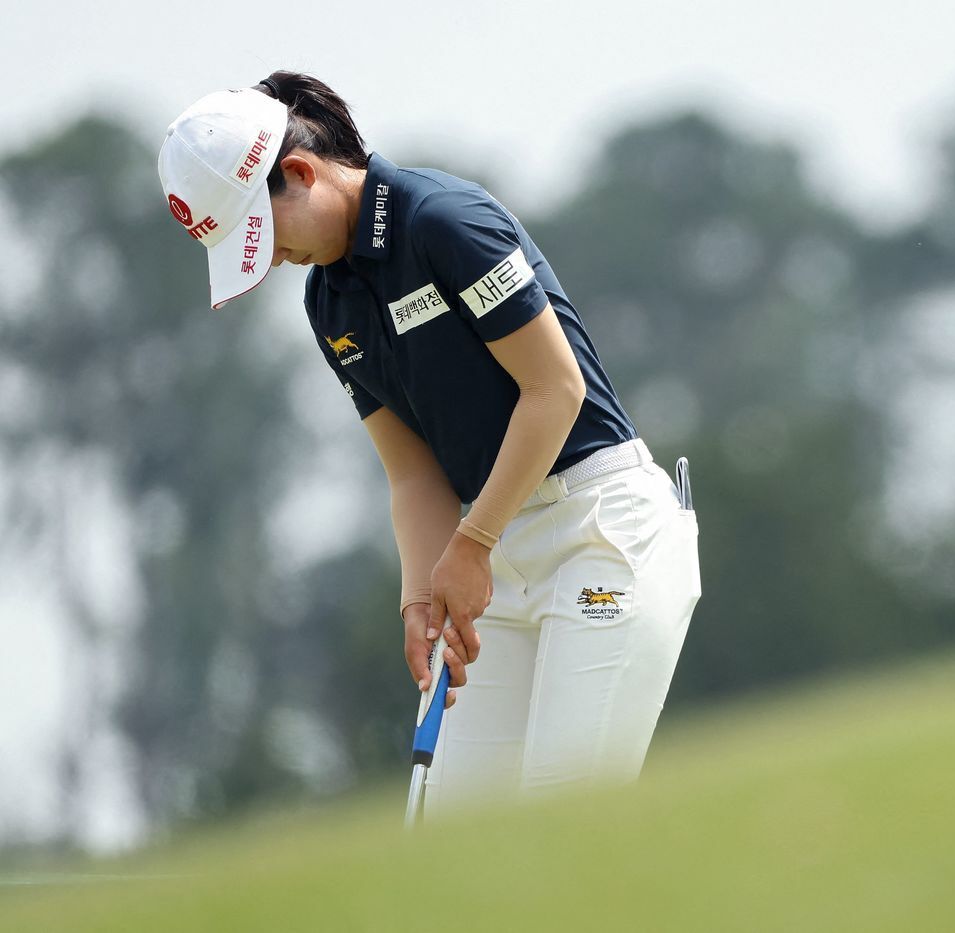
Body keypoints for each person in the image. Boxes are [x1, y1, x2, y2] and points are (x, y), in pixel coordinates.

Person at [156, 72, 701, 811]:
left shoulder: (443, 221)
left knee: (564, 822)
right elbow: (412, 475)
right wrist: (420, 597)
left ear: (300, 173)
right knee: (453, 838)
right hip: (492, 551)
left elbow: (555, 391)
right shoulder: (328, 300)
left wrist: (472, 543)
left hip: (600, 530)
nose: (273, 257)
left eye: (266, 233)